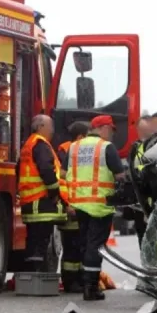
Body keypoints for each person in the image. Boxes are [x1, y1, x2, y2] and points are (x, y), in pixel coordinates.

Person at [66, 115, 125, 301]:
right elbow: (120, 176)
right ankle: (90, 287)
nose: (112, 134)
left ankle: (86, 283)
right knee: (95, 246)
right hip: (100, 205)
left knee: (85, 244)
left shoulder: (73, 147)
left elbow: (62, 174)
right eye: (111, 130)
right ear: (104, 128)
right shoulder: (106, 147)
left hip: (78, 205)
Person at [16, 115, 67, 273]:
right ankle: (38, 276)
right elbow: (46, 170)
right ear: (40, 127)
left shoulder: (29, 145)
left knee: (34, 241)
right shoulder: (40, 144)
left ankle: (32, 276)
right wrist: (54, 193)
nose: (52, 130)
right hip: (41, 202)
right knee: (40, 241)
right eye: (50, 126)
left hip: (31, 201)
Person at [56, 121, 91, 293]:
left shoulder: (73, 151)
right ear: (80, 137)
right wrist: (68, 205)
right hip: (72, 207)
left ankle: (77, 280)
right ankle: (71, 282)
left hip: (80, 205)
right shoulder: (68, 152)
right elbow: (63, 181)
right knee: (71, 248)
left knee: (78, 246)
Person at [129, 115, 154, 247]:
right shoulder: (136, 148)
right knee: (143, 236)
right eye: (140, 130)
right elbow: (133, 173)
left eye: (146, 129)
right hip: (140, 201)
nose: (142, 133)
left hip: (155, 198)